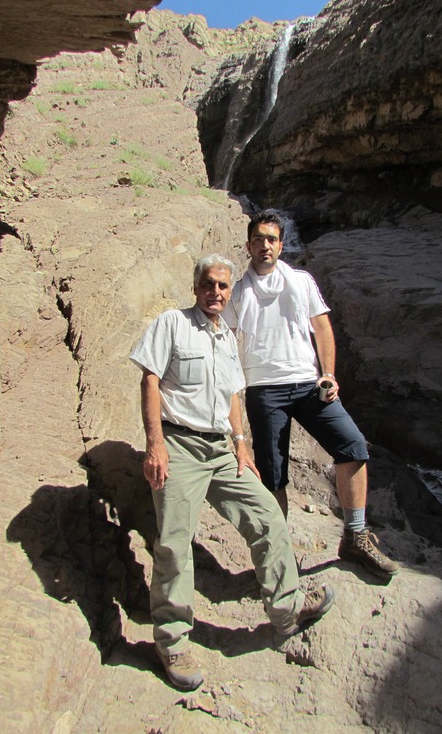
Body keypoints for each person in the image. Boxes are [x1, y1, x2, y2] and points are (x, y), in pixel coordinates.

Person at [130, 254, 335, 692]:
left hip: (222, 450)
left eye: (224, 286)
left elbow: (233, 395)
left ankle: (287, 609)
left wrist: (241, 444)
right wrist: (155, 444)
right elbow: (149, 381)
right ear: (196, 286)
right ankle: (172, 642)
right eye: (209, 284)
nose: (217, 292)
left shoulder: (227, 337)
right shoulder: (172, 323)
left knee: (266, 515)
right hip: (180, 445)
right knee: (173, 544)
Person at [222, 211, 399, 580]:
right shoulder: (238, 292)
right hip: (263, 390)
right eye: (258, 239)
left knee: (352, 446)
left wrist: (328, 374)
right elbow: (223, 340)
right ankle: (280, 556)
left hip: (307, 385)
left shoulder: (301, 281)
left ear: (281, 245)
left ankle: (354, 535)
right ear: (249, 245)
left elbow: (322, 328)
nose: (265, 245)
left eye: (271, 239)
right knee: (273, 476)